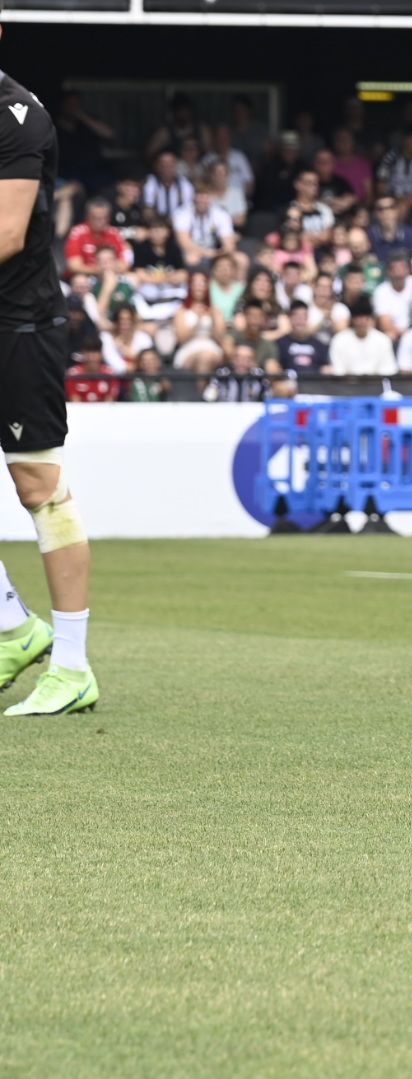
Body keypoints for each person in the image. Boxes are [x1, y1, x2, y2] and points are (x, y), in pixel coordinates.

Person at [0, 59, 100, 715]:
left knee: (38, 486)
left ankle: (71, 663)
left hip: (19, 323)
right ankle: (15, 628)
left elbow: (8, 232)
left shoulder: (17, 116)